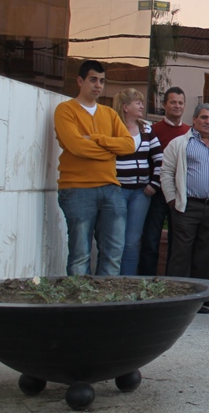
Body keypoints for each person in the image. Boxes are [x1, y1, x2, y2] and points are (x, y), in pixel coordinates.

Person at [54, 60, 136, 276]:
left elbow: (128, 145)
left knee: (113, 253)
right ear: (80, 81)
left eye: (101, 81)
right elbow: (76, 146)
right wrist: (110, 150)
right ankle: (80, 308)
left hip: (111, 189)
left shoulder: (109, 113)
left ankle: (105, 307)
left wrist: (96, 139)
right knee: (80, 255)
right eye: (93, 79)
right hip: (77, 189)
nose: (98, 85)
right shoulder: (65, 110)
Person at [161, 103, 209, 313]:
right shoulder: (180, 143)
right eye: (204, 118)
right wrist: (173, 201)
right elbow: (166, 173)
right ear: (194, 119)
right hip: (187, 206)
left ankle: (196, 298)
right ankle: (176, 297)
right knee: (181, 253)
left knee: (205, 254)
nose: (208, 122)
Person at [139, 87, 190, 276]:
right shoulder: (153, 130)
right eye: (173, 102)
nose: (177, 106)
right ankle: (147, 281)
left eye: (180, 103)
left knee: (177, 243)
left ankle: (171, 283)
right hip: (157, 193)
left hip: (180, 194)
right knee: (151, 240)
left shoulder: (189, 133)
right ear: (164, 105)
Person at [112, 88, 163, 276]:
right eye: (137, 103)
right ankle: (110, 280)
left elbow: (159, 158)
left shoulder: (146, 128)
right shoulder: (112, 127)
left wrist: (154, 184)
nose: (142, 106)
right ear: (125, 107)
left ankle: (127, 281)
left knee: (132, 241)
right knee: (115, 239)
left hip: (141, 194)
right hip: (116, 191)